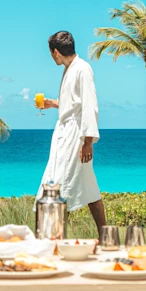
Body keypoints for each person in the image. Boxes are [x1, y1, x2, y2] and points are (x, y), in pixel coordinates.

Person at [37, 30, 106, 236]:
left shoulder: (83, 69)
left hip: (75, 136)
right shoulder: (69, 69)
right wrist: (53, 103)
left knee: (57, 184)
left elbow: (89, 105)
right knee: (88, 185)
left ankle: (53, 237)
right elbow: (73, 104)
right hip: (67, 132)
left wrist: (87, 142)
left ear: (56, 52)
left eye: (51, 53)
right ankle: (106, 235)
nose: (52, 57)